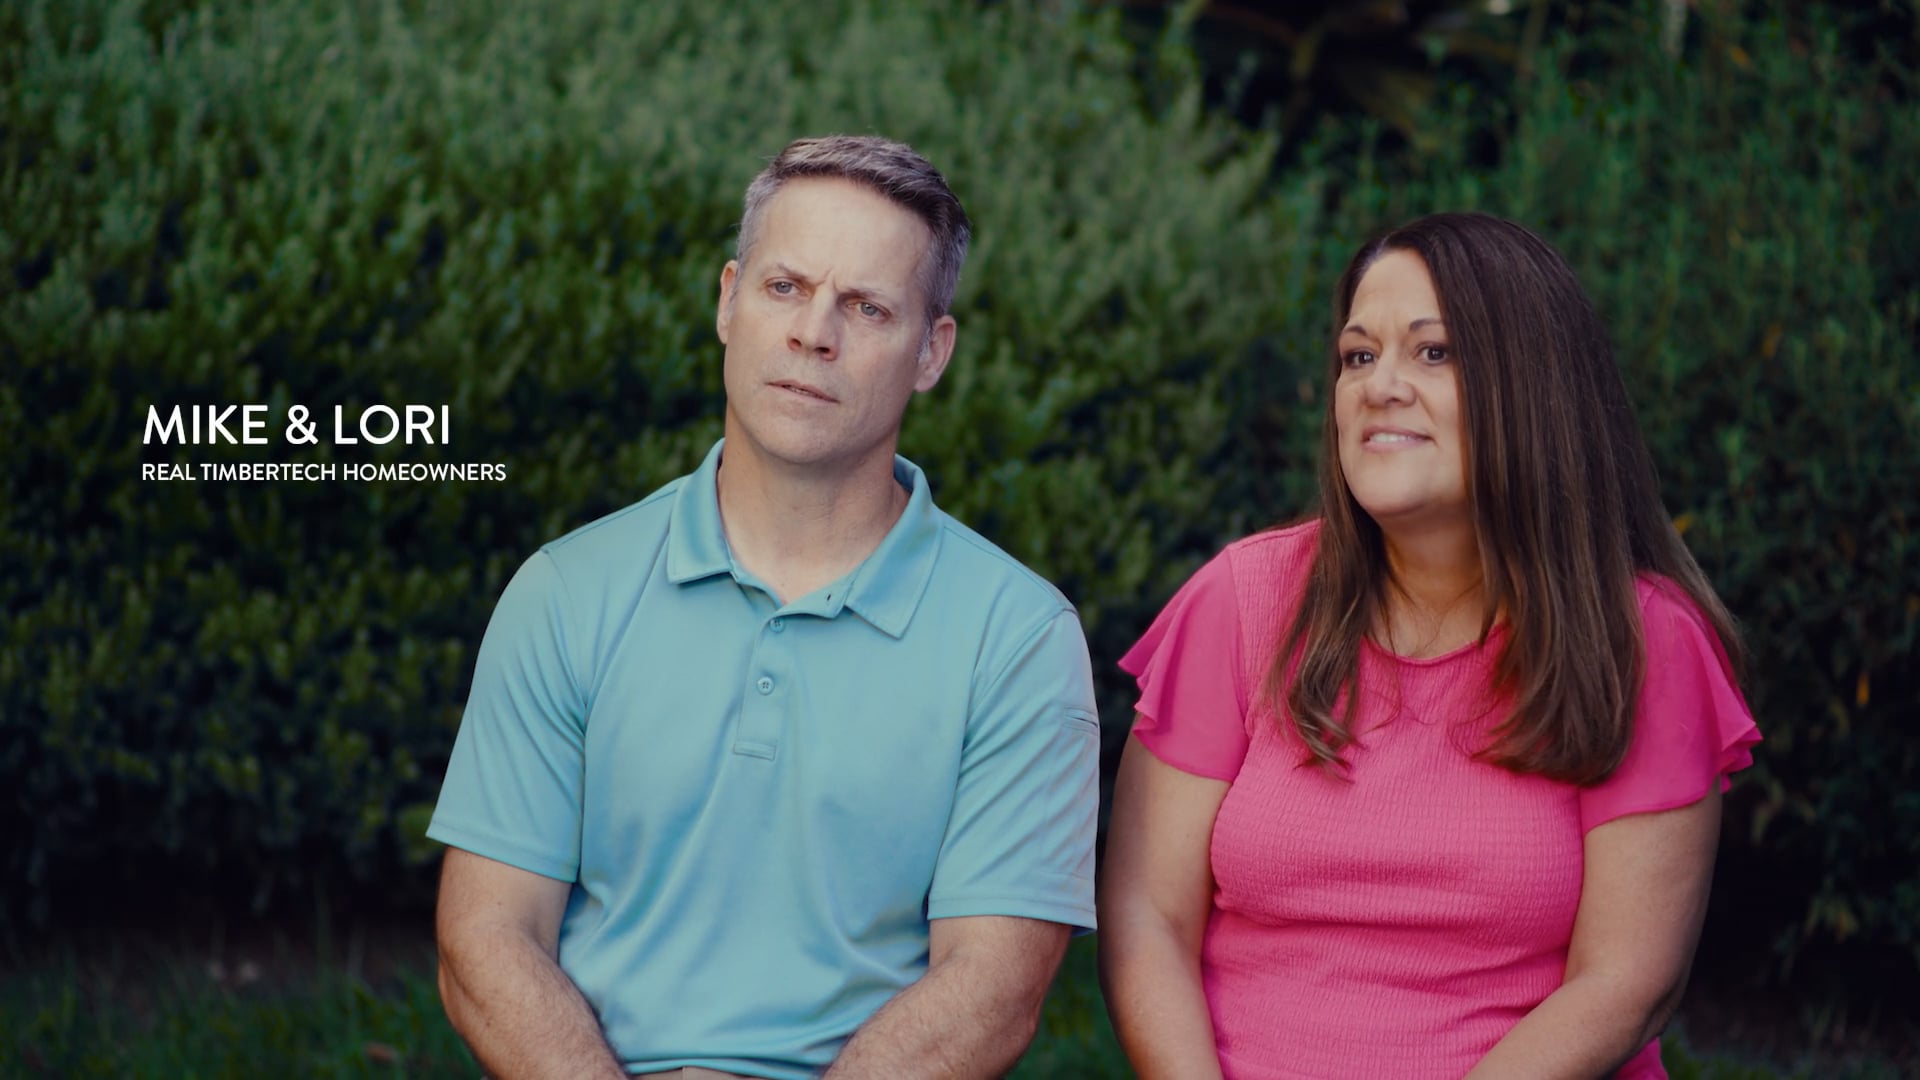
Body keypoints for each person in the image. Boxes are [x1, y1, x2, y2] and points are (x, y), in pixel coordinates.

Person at [428, 135, 1100, 1080]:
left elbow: (994, 991)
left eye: (866, 307)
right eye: (785, 287)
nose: (814, 333)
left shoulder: (1020, 639)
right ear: (728, 300)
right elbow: (486, 937)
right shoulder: (567, 591)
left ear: (931, 352)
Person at [1097, 212, 1761, 1080]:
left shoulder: (1642, 642)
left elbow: (1625, 983)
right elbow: (1147, 916)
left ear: (1532, 385)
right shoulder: (1241, 601)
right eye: (1357, 356)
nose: (1379, 386)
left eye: (1433, 352)